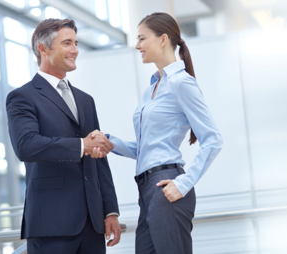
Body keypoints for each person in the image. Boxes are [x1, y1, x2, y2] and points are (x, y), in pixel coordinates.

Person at [91, 12, 223, 254]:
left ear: (163, 39)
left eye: (142, 38)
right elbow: (147, 149)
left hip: (167, 185)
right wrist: (111, 142)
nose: (137, 45)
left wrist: (184, 183)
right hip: (146, 189)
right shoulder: (152, 88)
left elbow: (213, 139)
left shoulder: (181, 83)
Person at [6, 19, 121, 254]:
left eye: (76, 43)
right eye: (67, 43)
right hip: (51, 224)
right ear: (43, 49)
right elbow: (26, 146)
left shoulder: (86, 100)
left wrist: (110, 210)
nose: (75, 50)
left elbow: (98, 158)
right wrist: (81, 145)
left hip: (92, 223)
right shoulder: (23, 97)